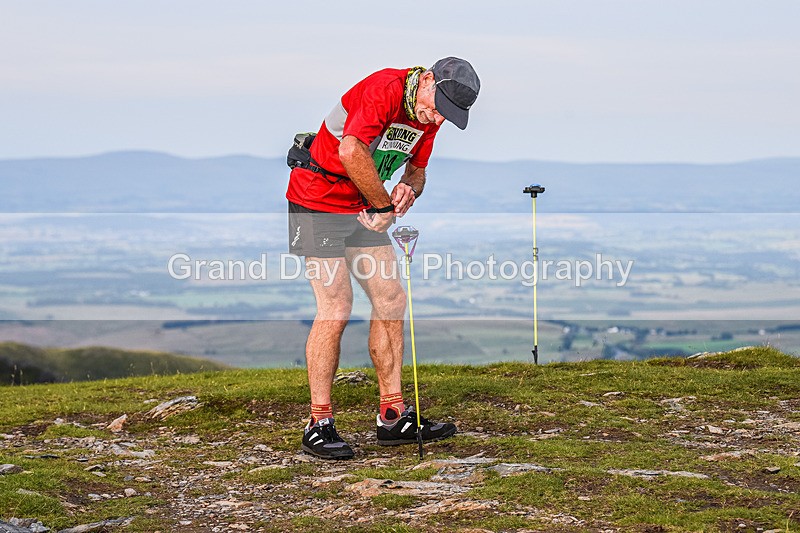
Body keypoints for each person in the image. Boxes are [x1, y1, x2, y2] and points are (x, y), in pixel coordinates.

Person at [285, 57, 480, 459]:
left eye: (447, 114)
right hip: (316, 201)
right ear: (427, 80)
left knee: (391, 298)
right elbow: (351, 150)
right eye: (437, 106)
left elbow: (417, 172)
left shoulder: (429, 115)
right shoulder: (384, 90)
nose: (436, 118)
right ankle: (318, 424)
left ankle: (393, 416)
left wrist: (409, 189)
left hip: (363, 206)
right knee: (336, 306)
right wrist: (382, 205)